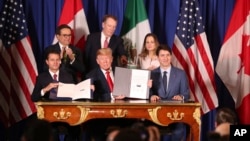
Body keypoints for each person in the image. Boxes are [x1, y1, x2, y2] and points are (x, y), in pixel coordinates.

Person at [31, 50, 81, 141]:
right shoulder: (41, 77)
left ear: (60, 61)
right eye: (52, 60)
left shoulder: (68, 76)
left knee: (76, 129)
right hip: (49, 116)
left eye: (57, 60)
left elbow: (75, 95)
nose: (55, 62)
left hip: (68, 114)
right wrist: (45, 89)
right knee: (52, 132)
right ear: (47, 62)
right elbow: (34, 97)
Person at [149, 44, 190, 141]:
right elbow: (148, 93)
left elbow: (186, 93)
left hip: (175, 115)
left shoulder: (180, 74)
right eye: (162, 55)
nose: (165, 58)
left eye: (167, 55)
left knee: (179, 132)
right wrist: (151, 96)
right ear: (158, 57)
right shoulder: (152, 74)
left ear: (171, 57)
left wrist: (181, 96)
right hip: (156, 116)